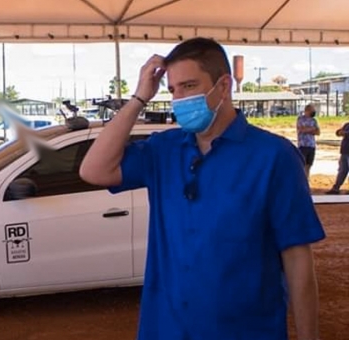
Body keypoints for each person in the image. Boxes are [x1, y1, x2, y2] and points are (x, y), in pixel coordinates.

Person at [80, 37, 325, 340]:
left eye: (190, 86)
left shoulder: (274, 157)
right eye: (172, 90)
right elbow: (94, 170)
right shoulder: (163, 150)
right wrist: (139, 98)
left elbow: (297, 258)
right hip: (166, 328)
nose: (179, 99)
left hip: (244, 330)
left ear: (224, 86)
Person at [296, 103, 320, 177]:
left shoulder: (314, 120)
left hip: (311, 145)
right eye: (312, 110)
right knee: (302, 165)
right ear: (307, 110)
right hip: (303, 145)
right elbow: (301, 130)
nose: (314, 112)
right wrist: (312, 129)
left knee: (308, 165)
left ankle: (306, 181)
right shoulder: (300, 119)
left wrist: (308, 129)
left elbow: (318, 132)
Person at [325, 121, 349, 194]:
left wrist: (344, 133)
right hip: (344, 151)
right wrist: (341, 132)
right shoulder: (347, 124)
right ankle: (336, 188)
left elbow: (343, 133)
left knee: (343, 170)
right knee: (342, 170)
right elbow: (338, 132)